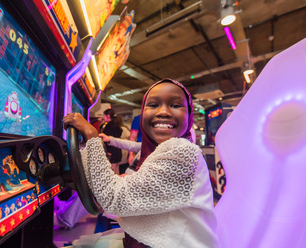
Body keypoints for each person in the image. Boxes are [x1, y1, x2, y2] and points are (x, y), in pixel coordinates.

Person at [63, 79, 218, 248]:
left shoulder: (181, 152)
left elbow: (114, 198)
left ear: (189, 115)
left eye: (175, 105)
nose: (164, 112)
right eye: (153, 105)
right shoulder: (155, 151)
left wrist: (91, 134)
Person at [101, 108, 123, 174]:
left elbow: (106, 141)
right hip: (118, 152)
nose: (103, 117)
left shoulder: (108, 126)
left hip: (111, 153)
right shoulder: (117, 125)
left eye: (104, 115)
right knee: (117, 172)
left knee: (112, 173)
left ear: (108, 116)